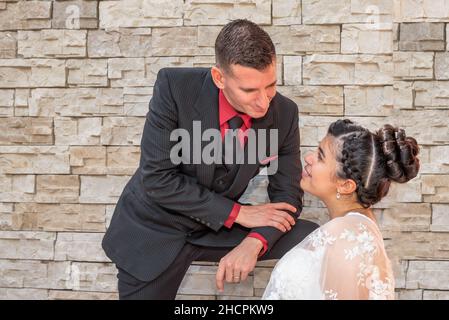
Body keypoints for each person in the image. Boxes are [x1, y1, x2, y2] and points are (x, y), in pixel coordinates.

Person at [102, 19, 318, 300]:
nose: (264, 102)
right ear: (219, 78)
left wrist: (255, 242)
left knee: (313, 236)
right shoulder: (173, 87)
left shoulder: (285, 113)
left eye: (271, 85)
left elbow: (287, 194)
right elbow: (158, 179)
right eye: (249, 91)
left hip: (216, 229)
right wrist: (240, 213)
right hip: (155, 228)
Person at [262, 119, 420, 300]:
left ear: (345, 186)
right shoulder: (357, 228)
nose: (308, 158)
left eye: (320, 156)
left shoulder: (346, 237)